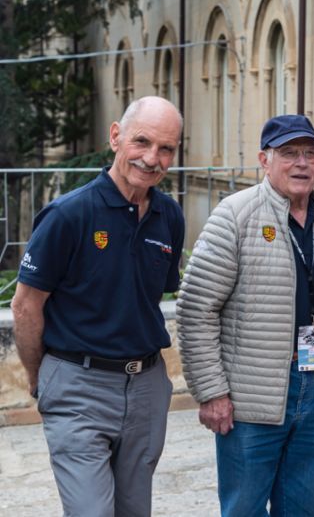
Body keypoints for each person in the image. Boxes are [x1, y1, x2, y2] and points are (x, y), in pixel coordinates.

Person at [176, 115, 314, 517]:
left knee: (306, 509)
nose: (301, 163)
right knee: (244, 509)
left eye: (310, 153)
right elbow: (196, 308)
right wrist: (212, 392)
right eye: (289, 153)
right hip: (251, 395)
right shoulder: (235, 215)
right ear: (264, 159)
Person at [11, 96, 185, 517]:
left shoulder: (170, 217)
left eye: (166, 149)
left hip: (145, 387)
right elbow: (25, 307)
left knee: (134, 511)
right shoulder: (68, 215)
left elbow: (148, 298)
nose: (151, 158)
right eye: (141, 142)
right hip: (78, 385)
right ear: (115, 137)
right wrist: (42, 377)